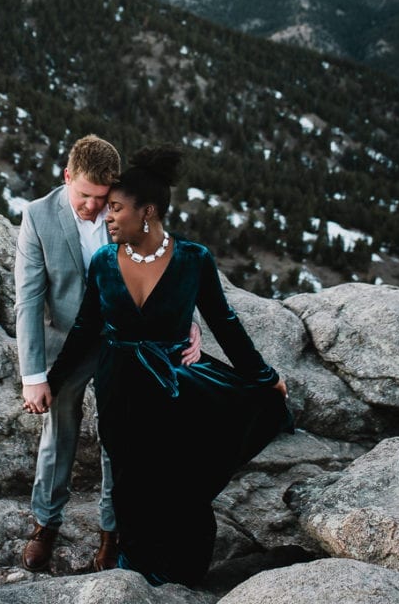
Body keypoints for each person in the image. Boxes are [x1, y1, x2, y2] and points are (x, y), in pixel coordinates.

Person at [42, 144, 293, 588]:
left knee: (175, 481)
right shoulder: (103, 262)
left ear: (148, 212)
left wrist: (265, 378)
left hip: (171, 387)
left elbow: (225, 323)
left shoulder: (193, 259)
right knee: (128, 481)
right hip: (118, 385)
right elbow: (84, 329)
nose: (107, 217)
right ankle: (134, 568)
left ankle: (182, 571)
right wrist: (54, 381)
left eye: (116, 208)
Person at [14, 135, 202, 572]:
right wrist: (33, 376)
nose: (93, 206)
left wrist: (186, 320)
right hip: (67, 344)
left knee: (119, 437)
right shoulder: (38, 216)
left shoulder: (126, 208)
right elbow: (28, 298)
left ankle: (111, 533)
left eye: (102, 198)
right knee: (58, 432)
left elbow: (163, 261)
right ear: (67, 177)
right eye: (85, 195)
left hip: (124, 340)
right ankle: (45, 524)